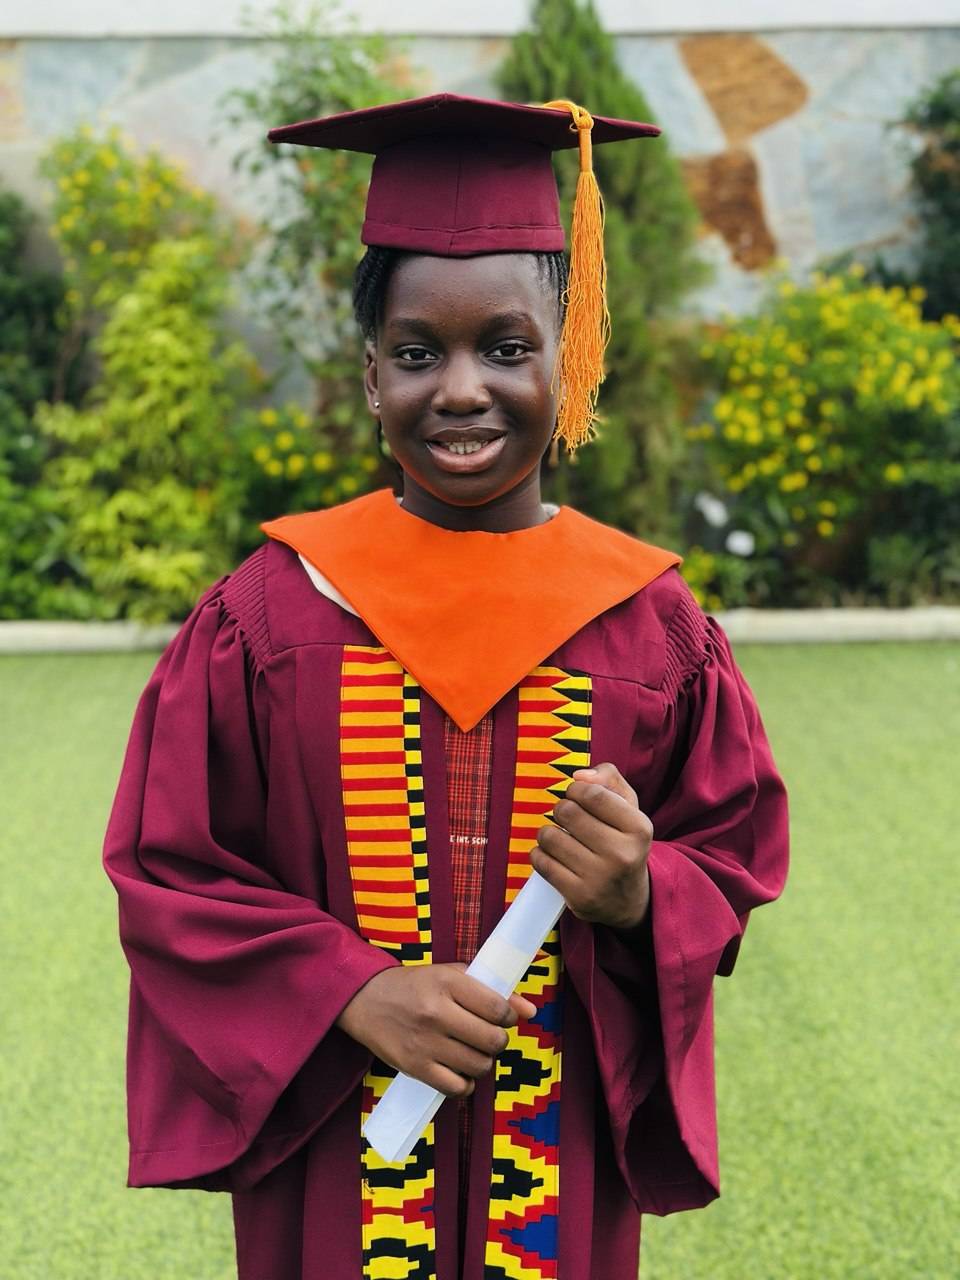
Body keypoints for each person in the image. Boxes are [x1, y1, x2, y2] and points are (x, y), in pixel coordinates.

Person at [103, 94, 789, 1280]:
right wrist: (351, 989)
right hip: (341, 1153)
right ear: (372, 377)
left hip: (558, 1159)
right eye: (419, 353)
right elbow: (172, 867)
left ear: (569, 358)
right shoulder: (270, 617)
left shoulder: (652, 623)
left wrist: (640, 890)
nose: (462, 388)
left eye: (507, 348)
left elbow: (732, 852)